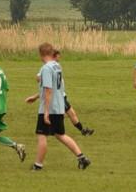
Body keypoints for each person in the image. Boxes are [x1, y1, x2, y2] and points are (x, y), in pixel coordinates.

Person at [26, 43, 91, 171]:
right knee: (60, 134)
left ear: (41, 54)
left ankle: (38, 165)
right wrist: (36, 96)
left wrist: (46, 112)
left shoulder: (46, 68)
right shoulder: (57, 66)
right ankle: (82, 158)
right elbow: (55, 88)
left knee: (42, 135)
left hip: (49, 108)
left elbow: (48, 90)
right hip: (59, 107)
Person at [26, 49, 94, 136]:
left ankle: (82, 130)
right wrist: (43, 81)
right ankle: (82, 130)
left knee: (71, 114)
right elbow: (39, 79)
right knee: (71, 114)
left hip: (61, 95)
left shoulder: (56, 67)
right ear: (53, 56)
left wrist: (36, 96)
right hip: (59, 98)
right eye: (58, 56)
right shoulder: (48, 68)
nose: (59, 58)